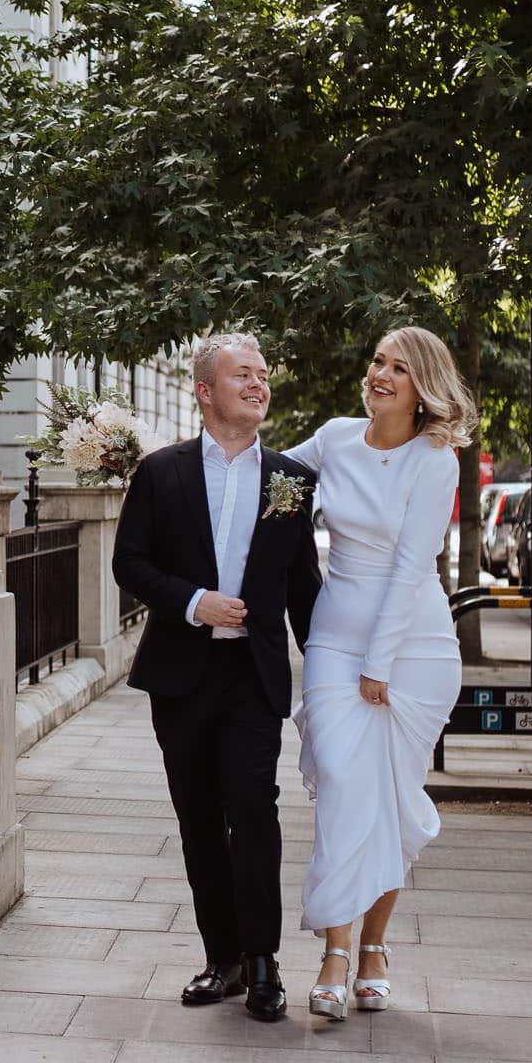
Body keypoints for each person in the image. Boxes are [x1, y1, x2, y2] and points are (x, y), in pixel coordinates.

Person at [112, 332, 322, 1022]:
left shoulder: (292, 479)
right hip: (182, 674)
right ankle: (222, 959)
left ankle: (263, 961)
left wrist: (330, 667)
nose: (259, 384)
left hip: (254, 676)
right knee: (200, 816)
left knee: (254, 808)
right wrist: (193, 601)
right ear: (205, 391)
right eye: (243, 375)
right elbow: (130, 563)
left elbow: (303, 587)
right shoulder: (161, 472)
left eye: (264, 374)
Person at [282, 325, 476, 1020]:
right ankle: (334, 949)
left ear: (423, 385)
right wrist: (179, 459)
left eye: (398, 367)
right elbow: (269, 474)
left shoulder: (437, 459)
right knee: (339, 779)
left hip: (414, 648)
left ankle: (370, 949)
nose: (381, 375)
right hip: (334, 638)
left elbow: (410, 565)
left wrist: (381, 664)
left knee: (389, 796)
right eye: (377, 361)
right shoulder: (334, 437)